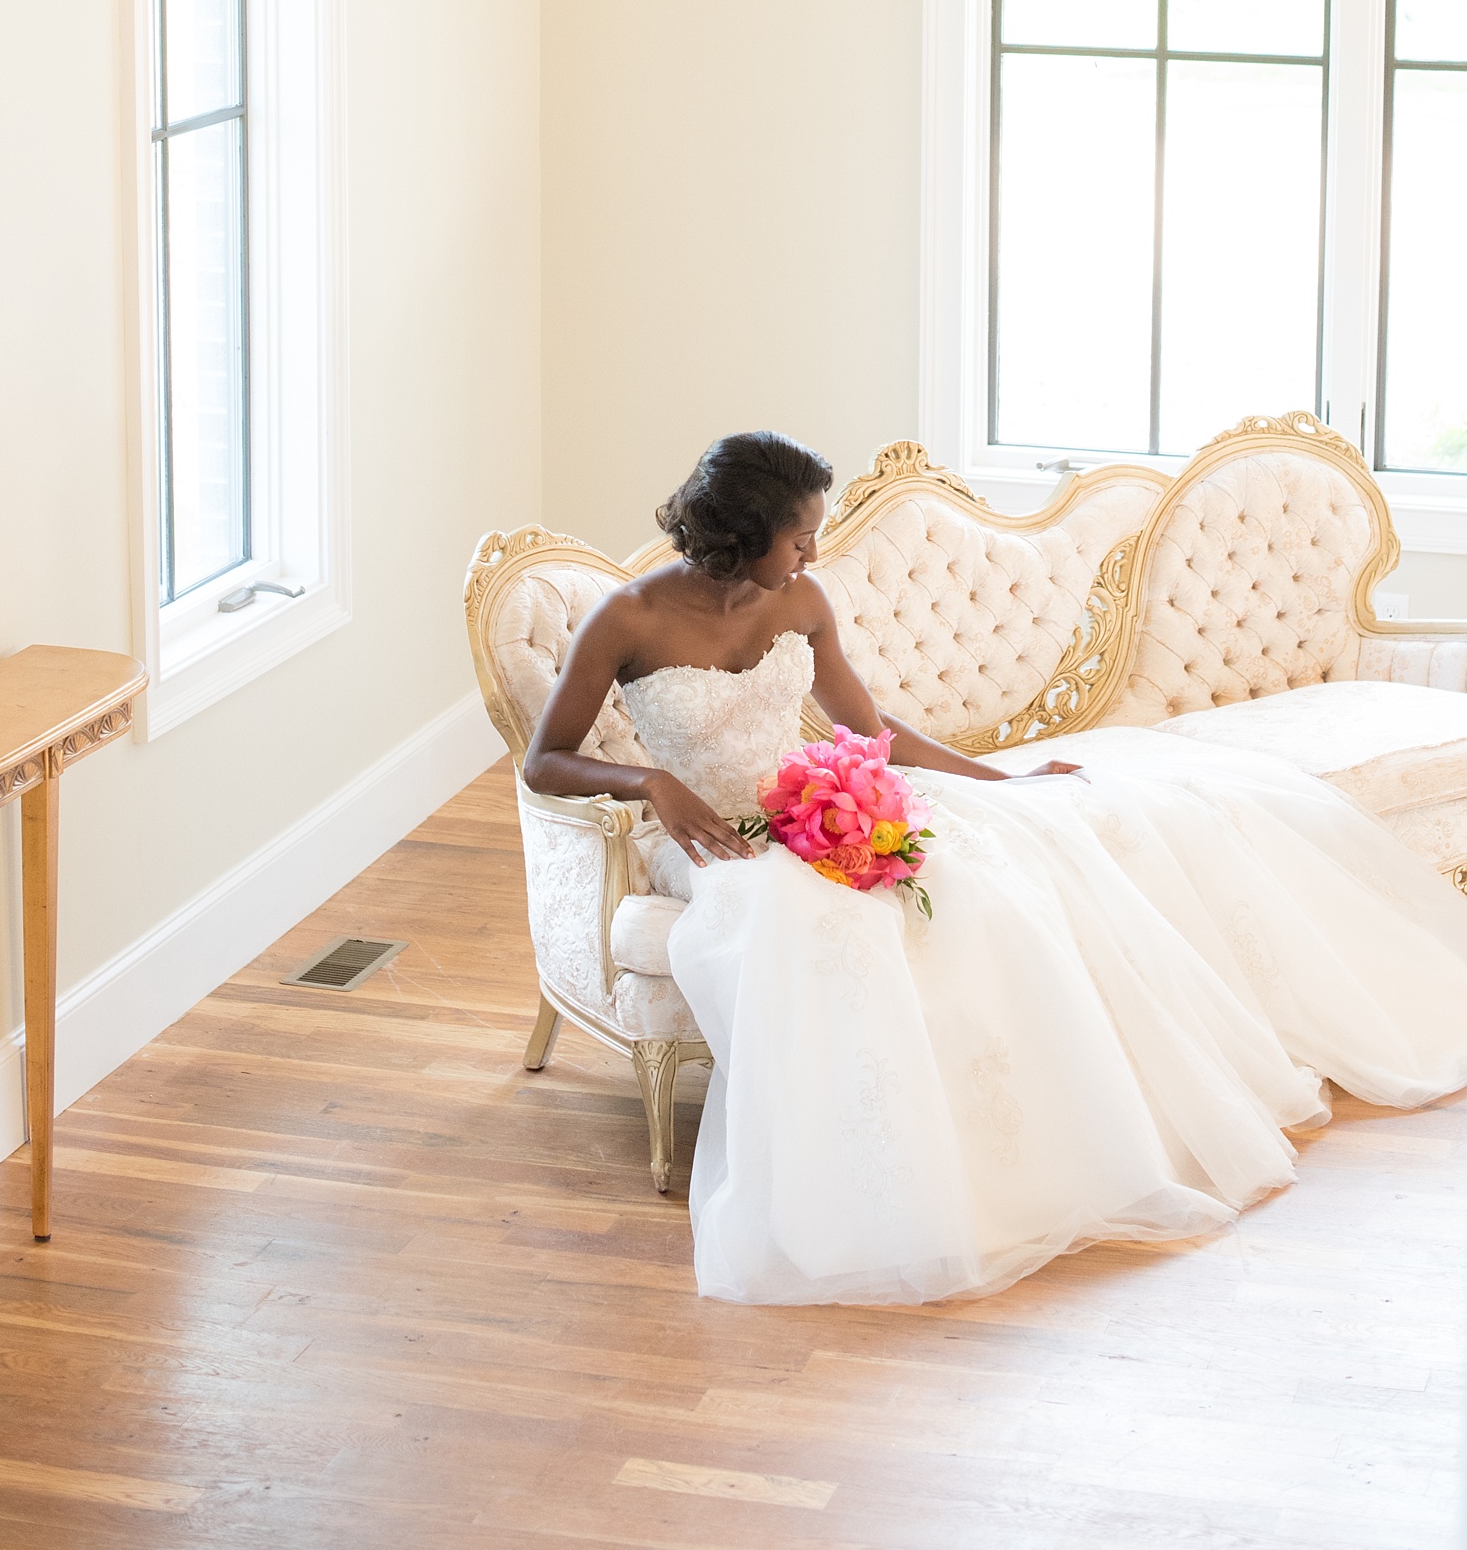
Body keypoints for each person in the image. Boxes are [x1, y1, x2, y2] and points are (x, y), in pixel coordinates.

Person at [523, 429, 1467, 1308]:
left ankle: (1010, 1142)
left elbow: (870, 730)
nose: (813, 553)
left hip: (811, 810)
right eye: (799, 535)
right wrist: (649, 781)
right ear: (740, 534)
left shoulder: (802, 603)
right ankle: (854, 1177)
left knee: (986, 880)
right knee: (811, 918)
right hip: (709, 842)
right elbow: (545, 760)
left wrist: (999, 779)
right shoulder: (630, 617)